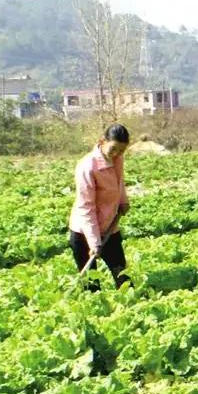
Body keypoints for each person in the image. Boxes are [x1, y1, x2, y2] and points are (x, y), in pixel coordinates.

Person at [69, 122, 132, 288]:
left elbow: (119, 182)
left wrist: (123, 200)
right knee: (91, 285)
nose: (117, 154)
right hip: (84, 232)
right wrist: (94, 242)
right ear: (102, 141)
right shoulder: (87, 166)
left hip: (110, 226)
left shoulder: (117, 159)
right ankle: (92, 301)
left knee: (123, 278)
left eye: (121, 150)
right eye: (113, 149)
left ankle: (131, 302)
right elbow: (86, 207)